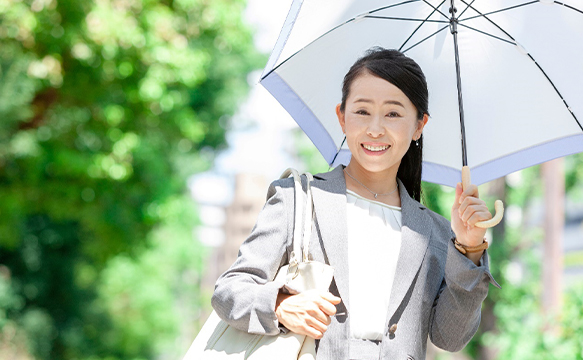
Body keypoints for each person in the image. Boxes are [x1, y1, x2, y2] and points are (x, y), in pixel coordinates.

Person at [211, 47, 499, 360]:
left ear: (419, 125)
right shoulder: (297, 199)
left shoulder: (435, 232)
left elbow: (451, 337)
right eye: (362, 111)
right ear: (342, 117)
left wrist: (469, 249)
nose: (375, 128)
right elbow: (229, 291)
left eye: (393, 113)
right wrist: (280, 305)